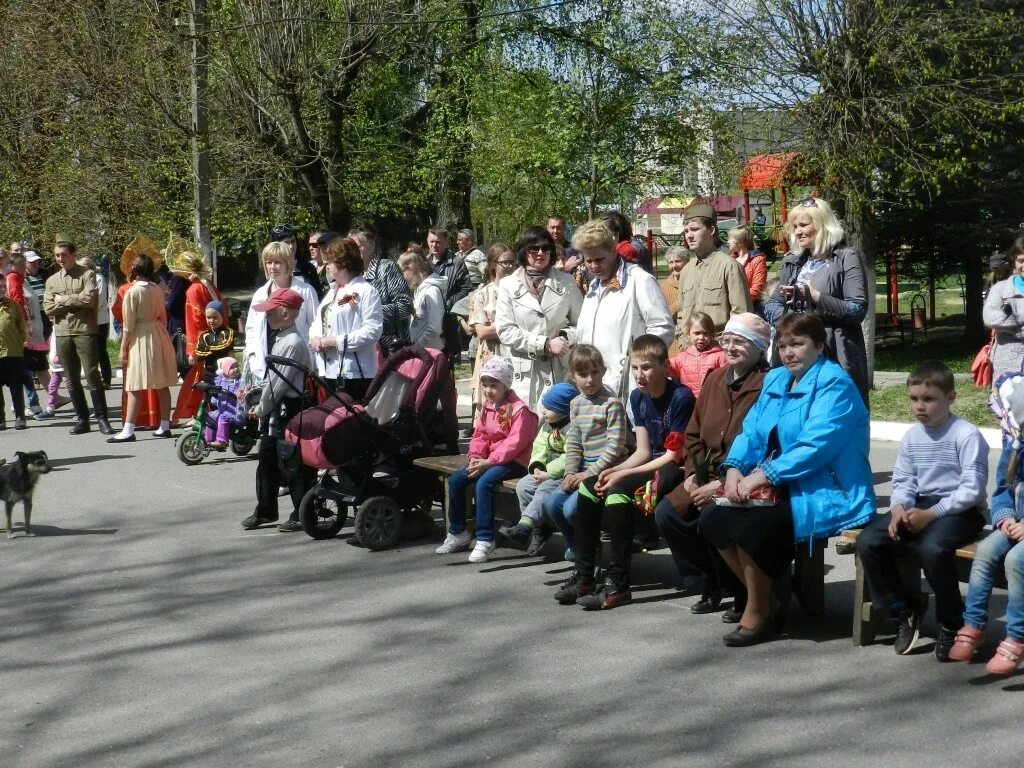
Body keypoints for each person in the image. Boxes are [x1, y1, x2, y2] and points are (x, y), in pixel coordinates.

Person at [705, 313, 874, 647]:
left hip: (823, 487)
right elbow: (752, 429)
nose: (788, 353)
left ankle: (757, 611)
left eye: (797, 344)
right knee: (713, 518)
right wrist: (735, 469)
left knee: (756, 528)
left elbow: (817, 445)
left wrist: (763, 475)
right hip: (775, 482)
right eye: (782, 346)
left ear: (820, 346)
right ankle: (769, 599)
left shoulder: (834, 382)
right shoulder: (776, 379)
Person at [856, 361, 988, 660]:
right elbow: (904, 480)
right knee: (869, 541)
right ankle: (903, 609)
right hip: (921, 505)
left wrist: (932, 514)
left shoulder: (965, 434)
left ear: (950, 398)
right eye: (914, 399)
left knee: (932, 548)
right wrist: (898, 509)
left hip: (962, 510)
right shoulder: (912, 438)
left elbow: (972, 489)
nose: (920, 406)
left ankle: (951, 622)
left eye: (928, 399)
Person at [557, 335, 694, 610]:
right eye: (635, 368)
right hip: (648, 461)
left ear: (664, 367)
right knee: (592, 485)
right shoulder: (637, 397)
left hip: (672, 468)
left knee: (617, 492)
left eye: (646, 367)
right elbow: (642, 450)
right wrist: (613, 471)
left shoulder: (681, 397)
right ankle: (584, 575)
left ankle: (618, 584)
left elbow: (671, 455)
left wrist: (619, 478)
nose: (639, 375)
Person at [654, 313, 770, 617]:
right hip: (704, 471)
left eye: (740, 342)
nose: (730, 347)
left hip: (739, 478)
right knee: (668, 513)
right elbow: (693, 433)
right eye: (727, 340)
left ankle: (742, 591)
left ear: (759, 347)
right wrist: (693, 475)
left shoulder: (767, 383)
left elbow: (767, 445)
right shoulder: (715, 378)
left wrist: (718, 483)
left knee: (712, 515)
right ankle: (711, 583)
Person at [764, 196, 869, 403]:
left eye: (803, 225)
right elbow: (771, 306)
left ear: (822, 225)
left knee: (831, 409)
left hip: (835, 351)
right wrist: (795, 324)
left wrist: (817, 298)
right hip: (793, 353)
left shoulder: (846, 257)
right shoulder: (792, 262)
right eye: (795, 226)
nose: (797, 231)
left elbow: (857, 309)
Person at [434, 356, 539, 564]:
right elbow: (480, 435)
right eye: (485, 385)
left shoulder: (520, 411)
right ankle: (458, 532)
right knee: (457, 479)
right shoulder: (488, 407)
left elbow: (514, 444)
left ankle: (485, 538)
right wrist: (475, 457)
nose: (488, 391)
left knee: (484, 483)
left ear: (505, 385)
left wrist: (489, 462)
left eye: (494, 385)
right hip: (489, 460)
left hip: (514, 462)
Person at [568, 219, 673, 399]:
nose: (594, 266)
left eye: (599, 259)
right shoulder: (594, 286)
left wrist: (638, 365)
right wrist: (567, 337)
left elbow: (663, 328)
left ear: (613, 250)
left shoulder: (640, 281)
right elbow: (589, 333)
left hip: (629, 389)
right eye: (588, 260)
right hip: (594, 390)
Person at [545, 345, 628, 567]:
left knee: (572, 509)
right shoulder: (576, 404)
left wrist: (588, 474)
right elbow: (574, 443)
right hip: (583, 469)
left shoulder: (612, 404)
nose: (589, 380)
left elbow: (615, 447)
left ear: (603, 370)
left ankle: (589, 553)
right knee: (553, 503)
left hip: (604, 471)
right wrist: (570, 472)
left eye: (594, 372)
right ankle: (579, 548)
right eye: (583, 375)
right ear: (573, 376)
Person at [242, 289, 318, 532]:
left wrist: (261, 408)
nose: (266, 316)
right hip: (278, 407)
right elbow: (272, 379)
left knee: (293, 462)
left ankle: (303, 511)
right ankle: (266, 509)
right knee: (267, 456)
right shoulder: (282, 338)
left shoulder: (293, 342)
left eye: (270, 311)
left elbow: (279, 384)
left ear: (284, 313)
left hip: (291, 408)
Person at [950, 450, 1024, 675]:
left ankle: (1018, 637)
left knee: (1015, 560)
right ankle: (974, 625)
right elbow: (1003, 490)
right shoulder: (1016, 447)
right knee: (985, 551)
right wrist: (1007, 517)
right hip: (1016, 524)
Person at [494, 226, 583, 410]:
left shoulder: (567, 282)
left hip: (559, 370)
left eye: (545, 248)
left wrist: (565, 337)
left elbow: (582, 324)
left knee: (556, 433)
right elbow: (505, 330)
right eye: (533, 248)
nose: (540, 253)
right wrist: (544, 344)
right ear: (523, 251)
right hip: (523, 375)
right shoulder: (508, 285)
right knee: (523, 431)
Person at [43, 236, 114, 435]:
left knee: (92, 374)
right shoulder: (52, 280)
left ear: (73, 254)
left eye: (64, 254)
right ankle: (82, 419)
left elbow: (89, 299)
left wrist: (63, 300)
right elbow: (48, 307)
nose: (60, 258)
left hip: (85, 330)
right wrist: (72, 302)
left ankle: (102, 419)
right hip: (63, 332)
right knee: (71, 378)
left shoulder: (88, 274)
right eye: (57, 255)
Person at [497, 381, 578, 554]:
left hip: (563, 473)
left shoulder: (573, 428)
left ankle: (525, 526)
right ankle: (538, 528)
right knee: (523, 486)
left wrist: (548, 473)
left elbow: (570, 456)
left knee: (544, 490)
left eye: (549, 409)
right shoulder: (548, 425)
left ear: (564, 410)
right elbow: (539, 446)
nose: (543, 412)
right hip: (545, 469)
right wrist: (537, 467)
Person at [107, 253, 179, 443]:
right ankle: (164, 425)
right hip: (158, 333)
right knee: (161, 383)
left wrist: (123, 348)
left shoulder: (132, 292)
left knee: (134, 384)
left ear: (134, 269)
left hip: (141, 335)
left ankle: (128, 429)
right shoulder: (156, 289)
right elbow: (163, 316)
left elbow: (128, 325)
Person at [309, 235, 383, 400]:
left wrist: (335, 341)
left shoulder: (366, 291)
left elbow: (373, 331)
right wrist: (314, 338)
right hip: (329, 370)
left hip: (355, 373)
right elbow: (317, 321)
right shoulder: (332, 291)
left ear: (343, 263)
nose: (326, 267)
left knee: (352, 422)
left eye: (329, 263)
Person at [675, 204, 751, 345]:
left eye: (695, 229)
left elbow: (742, 315)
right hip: (689, 354)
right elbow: (681, 315)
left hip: (719, 351)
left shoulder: (729, 266)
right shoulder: (686, 271)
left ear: (712, 230)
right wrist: (682, 343)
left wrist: (726, 349)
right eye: (686, 231)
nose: (689, 236)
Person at [244, 241, 318, 382]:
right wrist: (252, 354)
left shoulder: (306, 291)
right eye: (269, 262)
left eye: (277, 262)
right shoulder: (260, 294)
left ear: (288, 263)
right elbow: (251, 328)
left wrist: (314, 361)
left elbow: (316, 325)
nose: (272, 267)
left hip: (297, 360)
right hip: (266, 361)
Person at [171, 251, 229, 421]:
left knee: (200, 381)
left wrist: (193, 350)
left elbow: (195, 321)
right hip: (217, 337)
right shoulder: (208, 284)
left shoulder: (193, 289)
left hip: (204, 342)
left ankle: (201, 416)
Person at [464, 243, 515, 420]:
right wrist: (511, 326)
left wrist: (495, 326)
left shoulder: (520, 291)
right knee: (490, 406)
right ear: (493, 265)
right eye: (505, 262)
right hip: (492, 353)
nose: (510, 266)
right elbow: (482, 332)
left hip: (514, 350)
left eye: (512, 262)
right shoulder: (483, 293)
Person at [349, 224, 412, 358]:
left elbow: (405, 306)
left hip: (389, 349)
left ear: (372, 245)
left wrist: (371, 312)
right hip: (362, 349)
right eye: (350, 247)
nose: (353, 250)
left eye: (358, 246)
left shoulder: (387, 268)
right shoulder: (352, 275)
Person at [5, 251, 49, 417]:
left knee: (25, 367)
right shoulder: (13, 279)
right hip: (20, 330)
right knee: (24, 369)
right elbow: (17, 303)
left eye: (25, 265)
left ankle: (28, 404)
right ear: (13, 265)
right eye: (22, 265)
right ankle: (32, 405)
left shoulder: (18, 278)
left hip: (21, 328)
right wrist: (26, 330)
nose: (24, 268)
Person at [425, 228, 472, 366]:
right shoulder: (423, 262)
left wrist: (448, 302)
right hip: (427, 321)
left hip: (448, 322)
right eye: (432, 241)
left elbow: (467, 289)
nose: (434, 245)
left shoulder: (456, 263)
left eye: (438, 242)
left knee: (445, 364)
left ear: (446, 243)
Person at [983, 236, 1024, 383]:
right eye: (1021, 260)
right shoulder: (1000, 288)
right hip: (1009, 365)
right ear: (1014, 261)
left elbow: (1003, 318)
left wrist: (1012, 313)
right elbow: (991, 318)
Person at [668, 311, 726, 399]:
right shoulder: (682, 357)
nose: (701, 338)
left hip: (712, 401)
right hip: (690, 404)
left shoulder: (720, 355)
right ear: (688, 333)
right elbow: (665, 367)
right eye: (697, 333)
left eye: (706, 333)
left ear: (712, 334)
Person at [398, 250, 445, 350]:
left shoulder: (432, 291)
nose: (402, 279)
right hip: (421, 352)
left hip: (431, 353)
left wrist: (417, 347)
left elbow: (435, 328)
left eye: (402, 273)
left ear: (410, 268)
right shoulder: (419, 291)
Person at [0, 279, 29, 430]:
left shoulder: (13, 306)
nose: (2, 289)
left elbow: (21, 327)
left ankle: (20, 417)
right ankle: (1, 420)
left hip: (13, 353)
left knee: (16, 387)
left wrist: (20, 343)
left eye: (3, 286)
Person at [206, 357, 246, 451]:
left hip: (237, 413)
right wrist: (213, 399)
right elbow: (217, 398)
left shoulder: (239, 382)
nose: (236, 369)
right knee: (210, 416)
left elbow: (244, 393)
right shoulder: (221, 381)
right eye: (232, 367)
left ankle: (222, 441)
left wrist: (240, 393)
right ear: (224, 370)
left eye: (236, 366)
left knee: (223, 417)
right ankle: (208, 440)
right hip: (223, 410)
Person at [728, 225, 768, 313]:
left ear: (740, 241)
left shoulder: (757, 259)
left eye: (731, 238)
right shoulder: (729, 260)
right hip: (731, 306)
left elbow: (757, 288)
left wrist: (739, 302)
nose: (728, 242)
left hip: (751, 307)